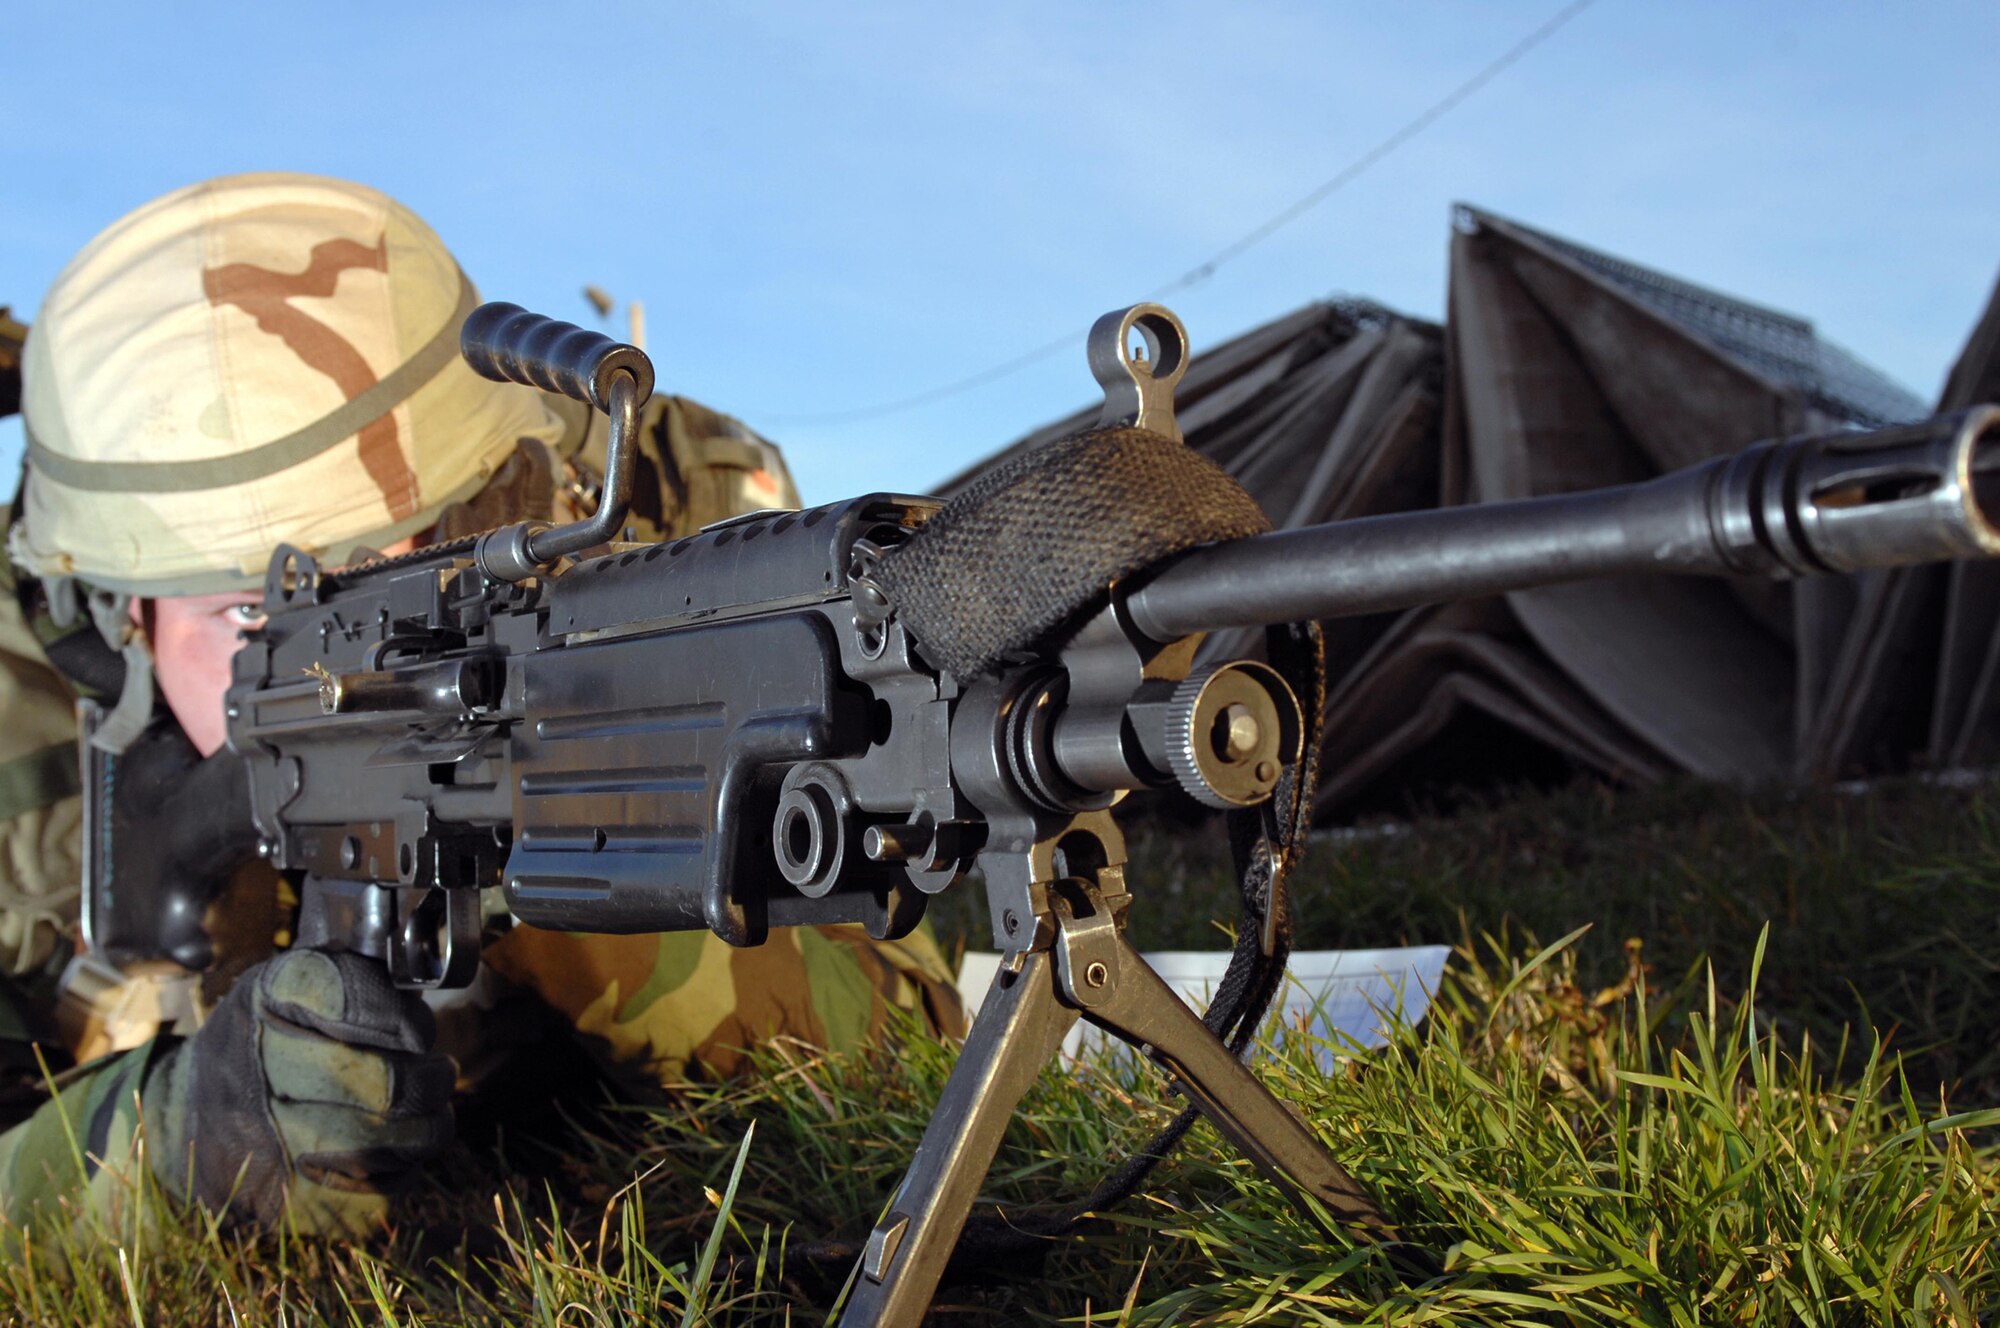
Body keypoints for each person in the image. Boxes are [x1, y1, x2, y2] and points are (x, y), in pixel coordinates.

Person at [0, 173, 962, 1237]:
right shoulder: (23, 726)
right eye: (249, 611)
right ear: (114, 618)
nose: (358, 651)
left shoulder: (664, 551)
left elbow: (907, 1056)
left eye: (400, 554)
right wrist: (168, 1144)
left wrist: (593, 842)